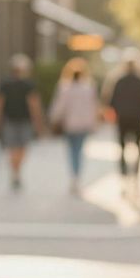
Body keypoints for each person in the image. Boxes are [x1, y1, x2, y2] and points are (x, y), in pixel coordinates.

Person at [0, 54, 45, 190]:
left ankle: (15, 172)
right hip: (20, 121)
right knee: (21, 147)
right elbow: (34, 105)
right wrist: (39, 123)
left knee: (13, 148)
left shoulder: (6, 84)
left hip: (12, 120)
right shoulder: (27, 84)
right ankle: (17, 172)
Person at [48, 57, 103, 194]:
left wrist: (53, 119)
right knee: (79, 151)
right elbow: (94, 107)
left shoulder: (65, 88)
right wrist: (95, 123)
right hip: (83, 124)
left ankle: (74, 177)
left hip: (70, 124)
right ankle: (77, 177)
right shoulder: (89, 88)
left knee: (72, 151)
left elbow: (59, 107)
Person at [104, 51, 140, 190]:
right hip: (137, 118)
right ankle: (135, 176)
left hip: (123, 118)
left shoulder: (118, 80)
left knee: (123, 147)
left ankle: (124, 175)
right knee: (138, 147)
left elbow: (111, 102)